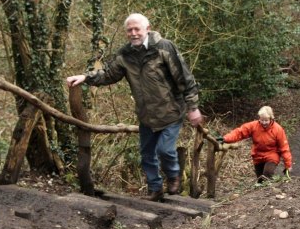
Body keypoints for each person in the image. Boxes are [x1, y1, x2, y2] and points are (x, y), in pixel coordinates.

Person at [66, 13, 203, 201]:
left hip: (171, 111)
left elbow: (184, 78)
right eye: (129, 30)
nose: (133, 33)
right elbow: (108, 74)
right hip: (146, 115)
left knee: (164, 150)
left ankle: (173, 177)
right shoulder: (125, 55)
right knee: (147, 155)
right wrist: (85, 77)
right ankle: (155, 190)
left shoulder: (164, 48)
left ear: (147, 29)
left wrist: (193, 107)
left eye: (137, 29)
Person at [221, 106, 292, 183]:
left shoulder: (278, 129)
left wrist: (288, 165)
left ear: (271, 118)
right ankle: (265, 191)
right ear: (259, 118)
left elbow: (284, 148)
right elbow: (239, 132)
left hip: (272, 155)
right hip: (257, 156)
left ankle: (270, 191)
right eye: (262, 120)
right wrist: (225, 138)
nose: (264, 122)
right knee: (260, 180)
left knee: (266, 176)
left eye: (266, 120)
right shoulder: (254, 126)